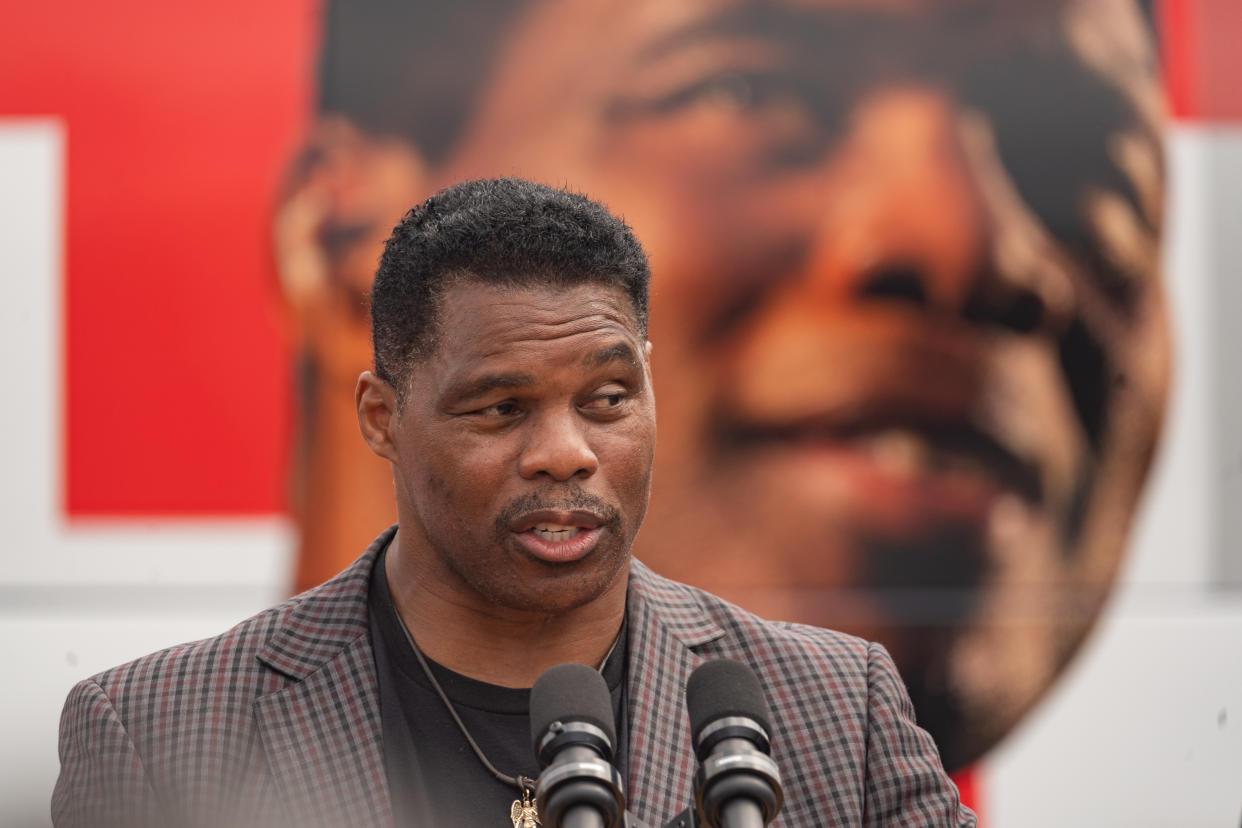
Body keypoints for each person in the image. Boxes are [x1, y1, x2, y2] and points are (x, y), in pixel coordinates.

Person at [274, 0, 1170, 771]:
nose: (962, 243)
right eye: (744, 91)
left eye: (1087, 155)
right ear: (353, 241)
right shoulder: (163, 749)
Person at [53, 178, 975, 826]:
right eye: (502, 409)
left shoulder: (833, 709)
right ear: (382, 417)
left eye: (608, 401)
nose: (567, 454)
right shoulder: (162, 731)